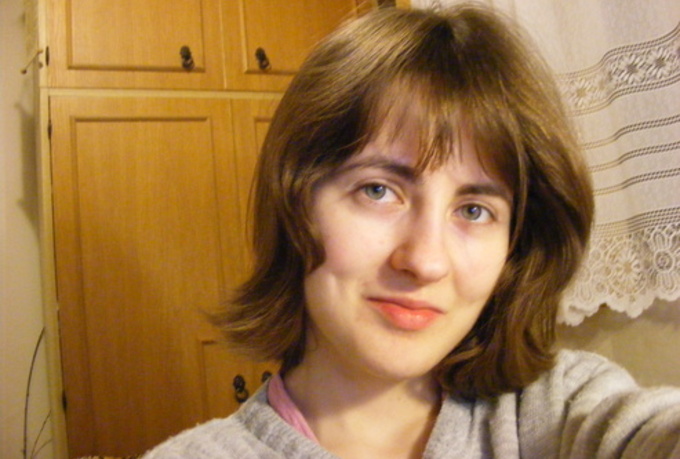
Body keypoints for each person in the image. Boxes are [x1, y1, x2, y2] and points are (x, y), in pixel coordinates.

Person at [145, 4, 680, 458]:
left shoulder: (554, 412)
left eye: (474, 210)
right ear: (294, 204)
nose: (425, 261)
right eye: (378, 190)